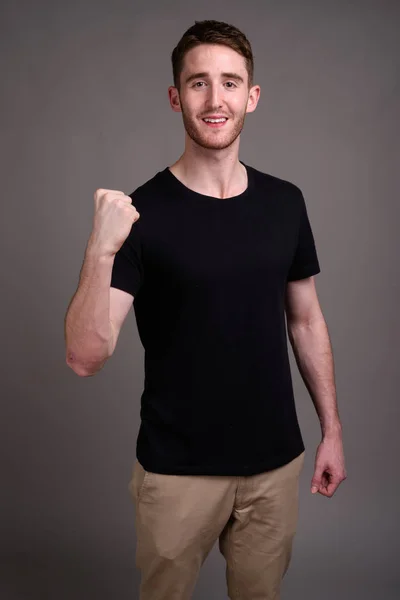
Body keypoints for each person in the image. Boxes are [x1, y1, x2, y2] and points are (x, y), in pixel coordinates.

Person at [64, 19, 347, 600]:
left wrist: (332, 430)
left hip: (274, 466)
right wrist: (100, 248)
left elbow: (306, 319)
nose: (215, 100)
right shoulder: (140, 213)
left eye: (230, 83)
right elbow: (84, 357)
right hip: (175, 473)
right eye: (197, 84)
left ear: (252, 96)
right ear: (175, 97)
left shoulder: (284, 202)